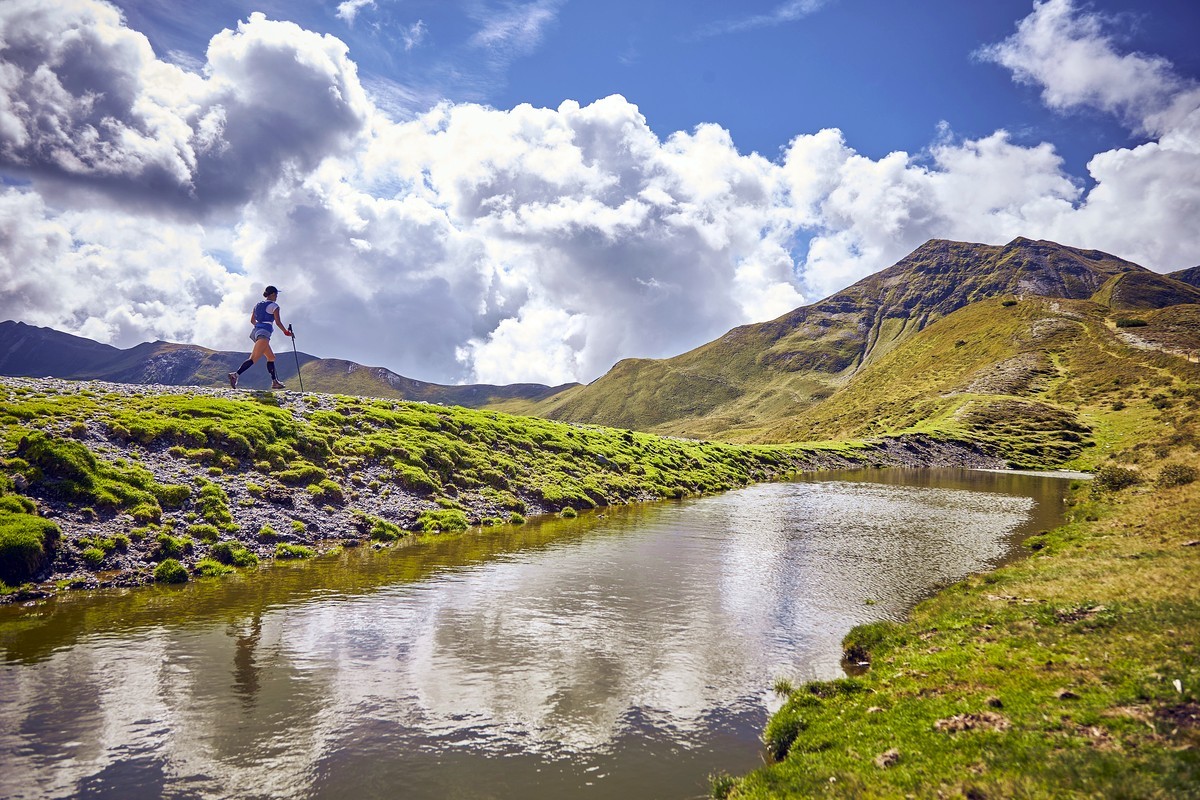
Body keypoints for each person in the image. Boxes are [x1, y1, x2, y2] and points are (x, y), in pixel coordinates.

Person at [228, 285, 292, 389]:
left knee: (271, 357)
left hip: (256, 332)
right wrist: (286, 332)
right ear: (272, 294)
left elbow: (252, 321)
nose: (277, 296)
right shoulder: (274, 306)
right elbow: (278, 322)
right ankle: (235, 375)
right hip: (264, 333)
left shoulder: (257, 305)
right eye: (276, 294)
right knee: (253, 359)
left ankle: (275, 382)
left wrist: (259, 326)